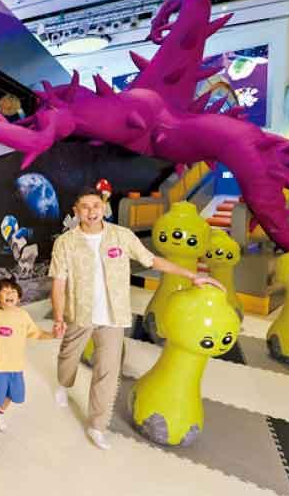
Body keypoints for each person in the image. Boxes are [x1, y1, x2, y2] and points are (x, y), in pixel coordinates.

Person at [50, 190, 224, 450]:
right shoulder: (65, 243)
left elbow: (152, 260)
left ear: (104, 207)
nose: (91, 211)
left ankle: (97, 425)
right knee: (68, 356)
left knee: (107, 372)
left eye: (96, 205)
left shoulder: (122, 236)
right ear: (76, 211)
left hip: (114, 316)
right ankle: (64, 384)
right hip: (79, 314)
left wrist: (192, 275)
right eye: (84, 206)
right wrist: (58, 317)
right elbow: (58, 283)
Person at [0, 278, 59, 432]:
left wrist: (53, 335)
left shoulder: (23, 315)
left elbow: (36, 333)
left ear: (19, 298)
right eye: (4, 291)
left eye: (13, 291)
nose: (9, 293)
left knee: (14, 394)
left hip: (16, 366)